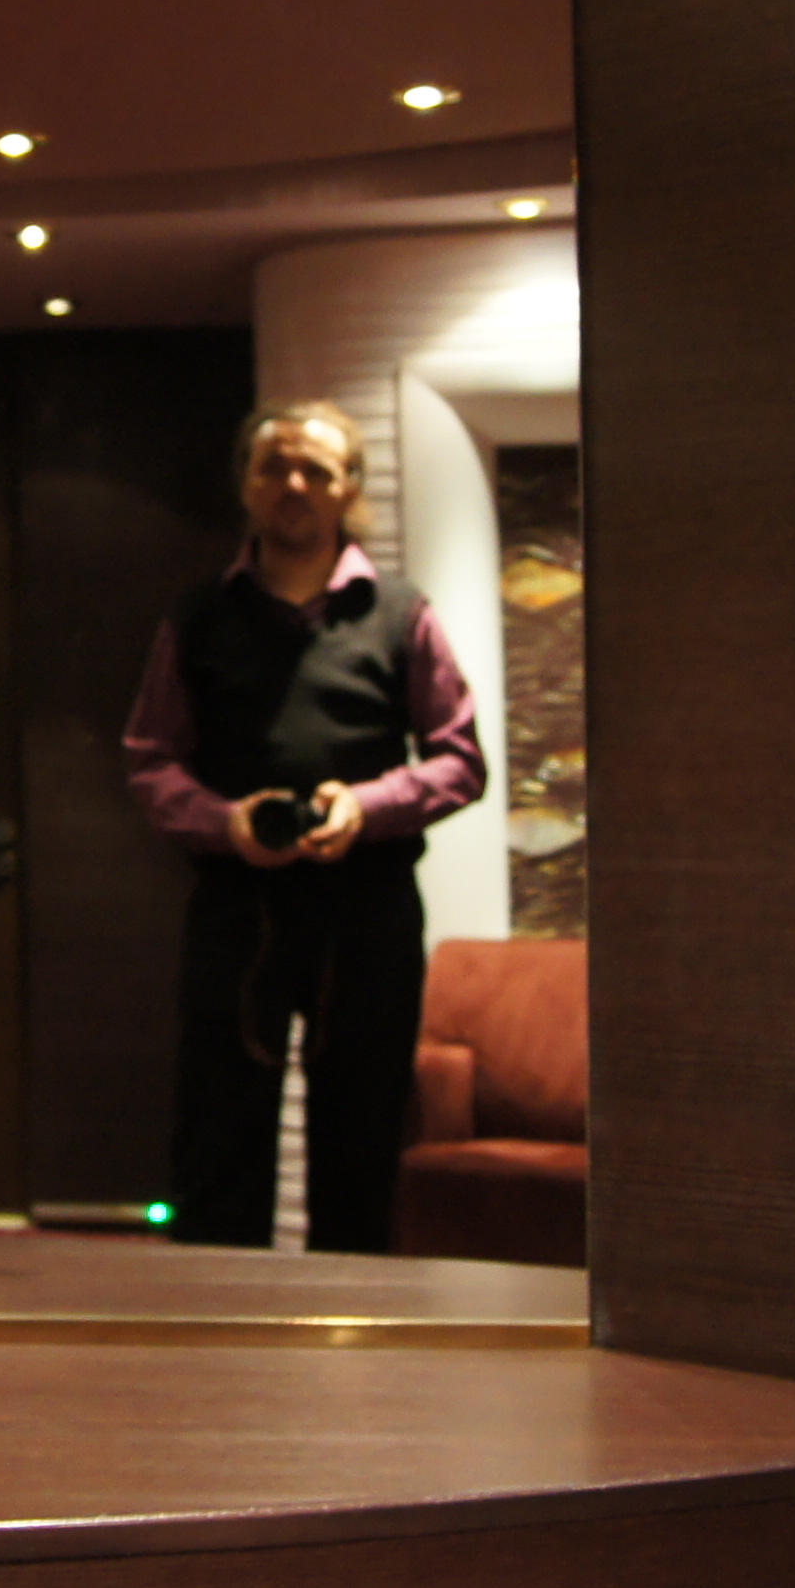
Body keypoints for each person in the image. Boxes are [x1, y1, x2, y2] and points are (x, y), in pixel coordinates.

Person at [121, 399, 486, 1254]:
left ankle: (357, 1335)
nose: (293, 484)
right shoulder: (196, 616)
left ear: (349, 487)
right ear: (247, 484)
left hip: (368, 913)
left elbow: (460, 758)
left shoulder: (401, 612)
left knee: (363, 1146)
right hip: (237, 913)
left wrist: (368, 806)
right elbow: (150, 760)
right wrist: (226, 822)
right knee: (217, 1143)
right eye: (274, 466)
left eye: (315, 470)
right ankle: (219, 1328)